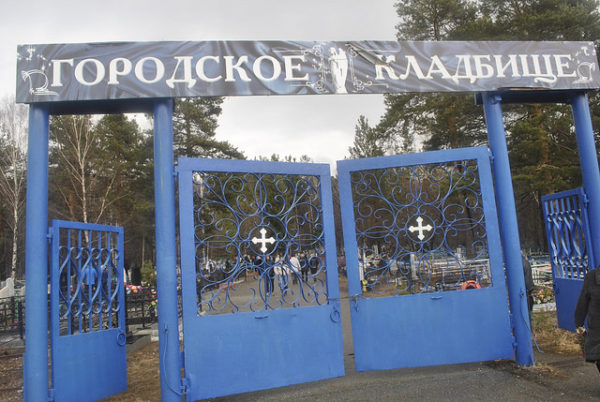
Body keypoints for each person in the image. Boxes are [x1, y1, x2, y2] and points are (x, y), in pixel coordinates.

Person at [574, 266, 600, 372]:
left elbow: (582, 304)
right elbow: (582, 304)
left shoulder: (592, 276)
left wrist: (579, 326)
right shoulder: (592, 277)